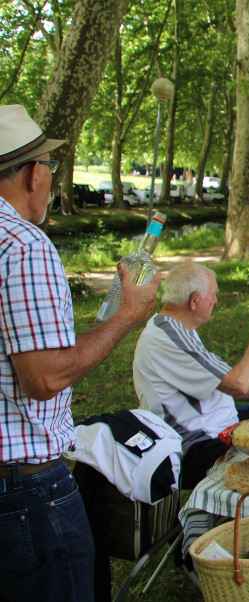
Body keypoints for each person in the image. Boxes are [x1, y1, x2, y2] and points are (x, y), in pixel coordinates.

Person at [0, 104, 160, 601]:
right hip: (26, 493)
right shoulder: (24, 245)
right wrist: (128, 315)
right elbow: (45, 378)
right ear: (33, 173)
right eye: (49, 168)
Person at [132, 262, 249, 489]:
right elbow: (237, 384)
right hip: (195, 444)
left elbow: (219, 381)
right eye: (213, 295)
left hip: (218, 425)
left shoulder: (175, 327)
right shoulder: (170, 336)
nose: (216, 301)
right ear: (194, 301)